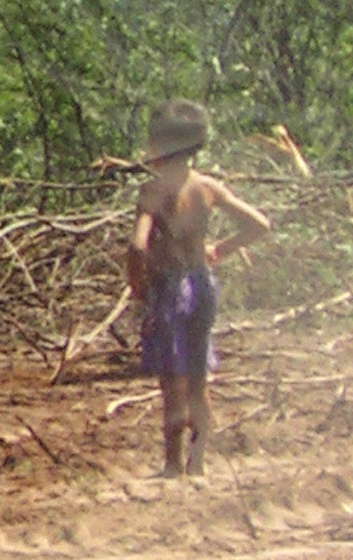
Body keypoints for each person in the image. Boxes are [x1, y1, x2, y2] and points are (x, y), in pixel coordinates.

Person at [127, 99, 272, 480]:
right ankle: (200, 460)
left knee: (171, 381)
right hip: (202, 284)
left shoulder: (153, 192)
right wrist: (219, 250)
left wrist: (138, 285)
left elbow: (138, 246)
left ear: (158, 146)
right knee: (198, 377)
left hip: (171, 289)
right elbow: (259, 224)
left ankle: (173, 464)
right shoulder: (208, 187)